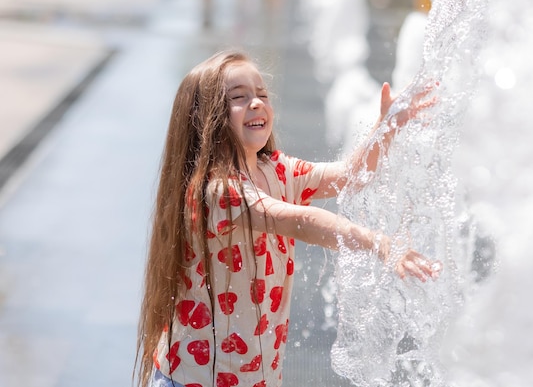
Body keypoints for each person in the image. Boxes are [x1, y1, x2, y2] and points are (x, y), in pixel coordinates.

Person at [135, 50, 440, 387]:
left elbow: (351, 175)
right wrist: (379, 243)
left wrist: (388, 127)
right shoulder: (217, 190)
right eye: (239, 97)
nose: (256, 103)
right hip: (195, 379)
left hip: (253, 377)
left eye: (262, 94)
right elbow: (301, 221)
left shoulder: (277, 169)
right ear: (204, 118)